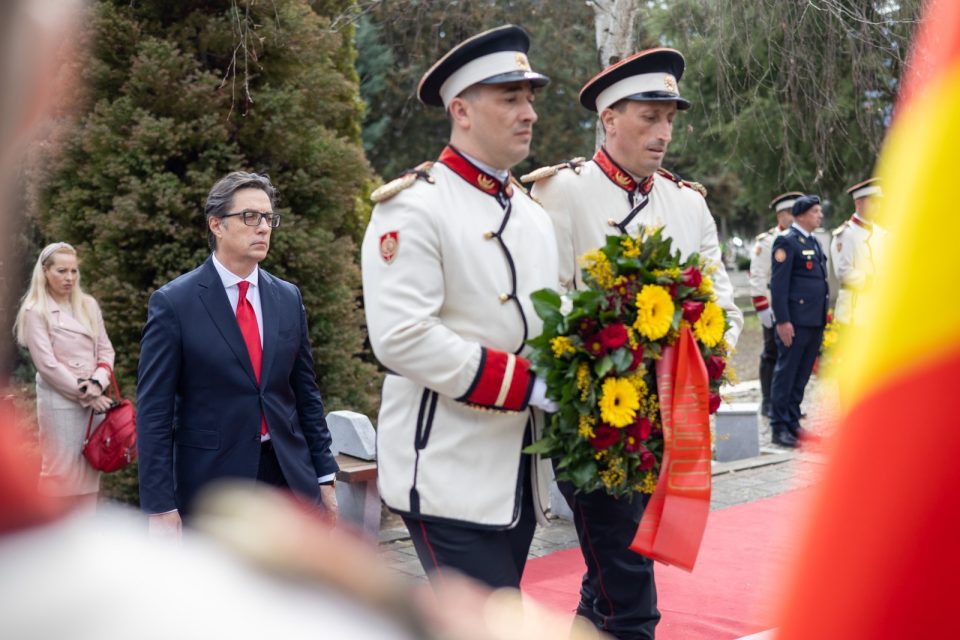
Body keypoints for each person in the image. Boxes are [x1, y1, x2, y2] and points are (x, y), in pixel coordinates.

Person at [524, 48, 743, 640]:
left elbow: (721, 302)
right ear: (609, 118)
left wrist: (702, 346)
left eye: (670, 117)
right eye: (649, 116)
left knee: (605, 584)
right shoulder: (562, 193)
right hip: (596, 426)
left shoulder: (686, 201)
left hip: (671, 418)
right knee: (631, 595)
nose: (664, 132)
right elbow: (545, 302)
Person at [361, 25, 559, 590]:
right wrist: (527, 382)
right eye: (510, 98)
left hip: (516, 469)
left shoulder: (531, 212)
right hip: (445, 468)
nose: (529, 113)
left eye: (529, 98)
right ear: (461, 110)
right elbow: (403, 337)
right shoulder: (414, 206)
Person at [137, 171, 339, 538]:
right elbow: (154, 412)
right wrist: (160, 505)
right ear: (216, 224)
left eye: (268, 218)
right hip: (214, 484)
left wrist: (324, 475)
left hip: (287, 475)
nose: (263, 227)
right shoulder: (174, 303)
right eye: (249, 217)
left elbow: (306, 393)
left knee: (287, 591)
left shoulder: (288, 297)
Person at [13, 242, 115, 508]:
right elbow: (47, 365)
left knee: (90, 470)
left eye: (74, 271)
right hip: (60, 403)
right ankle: (54, 536)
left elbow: (106, 350)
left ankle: (85, 534)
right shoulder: (36, 311)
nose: (69, 278)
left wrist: (97, 383)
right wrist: (88, 394)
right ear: (45, 271)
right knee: (60, 474)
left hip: (93, 400)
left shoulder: (88, 305)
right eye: (61, 271)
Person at [769, 195, 829, 448]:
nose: (820, 215)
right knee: (786, 373)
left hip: (813, 321)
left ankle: (793, 422)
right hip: (794, 322)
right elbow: (779, 286)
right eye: (816, 211)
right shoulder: (787, 242)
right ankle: (779, 427)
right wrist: (783, 321)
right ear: (801, 214)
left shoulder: (812, 241)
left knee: (802, 374)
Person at [749, 192, 802, 418]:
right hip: (773, 304)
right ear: (781, 215)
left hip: (797, 306)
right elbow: (758, 277)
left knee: (794, 355)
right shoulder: (767, 242)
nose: (794, 217)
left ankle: (789, 402)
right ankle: (768, 401)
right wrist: (762, 308)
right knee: (771, 352)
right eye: (791, 213)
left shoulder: (802, 238)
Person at [830, 177, 887, 325]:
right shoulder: (846, 234)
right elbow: (843, 272)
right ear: (859, 203)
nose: (878, 206)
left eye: (879, 202)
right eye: (873, 201)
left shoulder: (882, 233)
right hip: (853, 310)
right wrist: (872, 281)